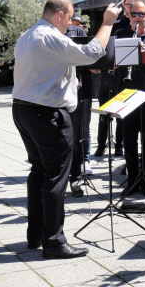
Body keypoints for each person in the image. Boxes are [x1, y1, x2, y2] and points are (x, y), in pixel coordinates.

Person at [12, 0, 120, 259]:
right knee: (55, 177)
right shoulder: (51, 36)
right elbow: (93, 53)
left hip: (24, 108)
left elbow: (60, 64)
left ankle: (36, 234)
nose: (70, 23)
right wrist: (107, 23)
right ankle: (55, 242)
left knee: (39, 172)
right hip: (47, 114)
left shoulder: (28, 35)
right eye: (70, 17)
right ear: (60, 14)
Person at [115, 0, 145, 197]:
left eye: (141, 14)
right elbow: (112, 62)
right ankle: (133, 179)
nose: (137, 18)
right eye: (133, 14)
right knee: (129, 139)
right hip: (126, 94)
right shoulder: (120, 34)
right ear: (128, 15)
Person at [66, 14, 93, 198]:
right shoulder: (48, 34)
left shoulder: (78, 32)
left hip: (76, 93)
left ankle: (75, 178)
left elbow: (88, 59)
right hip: (52, 94)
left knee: (77, 136)